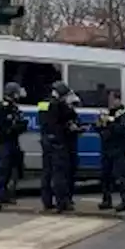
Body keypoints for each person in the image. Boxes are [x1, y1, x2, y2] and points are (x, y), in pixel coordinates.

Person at [44, 82, 83, 212]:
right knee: (61, 174)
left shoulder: (45, 103)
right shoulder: (58, 105)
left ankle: (48, 202)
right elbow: (64, 121)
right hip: (60, 143)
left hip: (48, 142)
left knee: (48, 174)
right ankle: (62, 202)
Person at [0, 82, 28, 210]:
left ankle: (6, 195)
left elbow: (20, 124)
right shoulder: (0, 107)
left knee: (14, 170)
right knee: (2, 170)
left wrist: (19, 127)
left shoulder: (14, 107)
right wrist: (9, 130)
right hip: (3, 143)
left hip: (13, 142)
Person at [95, 90, 125, 212]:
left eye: (112, 99)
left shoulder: (123, 113)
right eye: (109, 100)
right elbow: (98, 126)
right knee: (105, 176)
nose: (110, 102)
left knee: (121, 176)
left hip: (118, 149)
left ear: (118, 100)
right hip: (106, 148)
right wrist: (101, 125)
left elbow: (121, 129)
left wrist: (108, 124)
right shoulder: (107, 112)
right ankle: (106, 200)